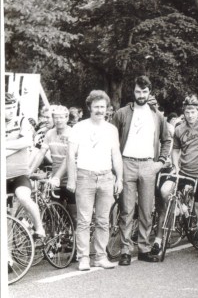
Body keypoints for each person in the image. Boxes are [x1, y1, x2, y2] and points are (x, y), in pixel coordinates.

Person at [112, 76, 172, 265]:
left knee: (147, 209)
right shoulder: (121, 113)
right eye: (138, 91)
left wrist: (160, 162)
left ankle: (144, 248)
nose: (141, 95)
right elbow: (112, 141)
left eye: (145, 92)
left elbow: (167, 140)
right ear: (133, 91)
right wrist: (115, 166)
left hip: (148, 164)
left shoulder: (157, 115)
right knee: (127, 209)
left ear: (150, 92)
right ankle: (125, 250)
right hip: (126, 162)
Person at [67, 90, 123, 271]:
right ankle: (83, 257)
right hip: (85, 176)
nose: (100, 110)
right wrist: (72, 179)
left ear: (107, 108)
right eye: (96, 106)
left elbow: (116, 155)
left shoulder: (111, 129)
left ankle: (100, 256)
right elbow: (70, 155)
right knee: (83, 220)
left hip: (106, 177)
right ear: (89, 107)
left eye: (103, 107)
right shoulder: (79, 128)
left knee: (103, 220)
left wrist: (119, 178)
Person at [161, 95, 198, 259]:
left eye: (193, 112)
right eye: (187, 112)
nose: (190, 115)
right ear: (184, 112)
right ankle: (180, 209)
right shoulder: (179, 129)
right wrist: (175, 166)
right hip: (184, 172)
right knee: (165, 191)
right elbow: (175, 150)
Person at [5, 93, 46, 239]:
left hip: (19, 175)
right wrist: (16, 146)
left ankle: (39, 228)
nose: (9, 111)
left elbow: (27, 142)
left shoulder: (22, 121)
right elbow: (20, 143)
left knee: (23, 197)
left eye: (12, 107)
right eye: (6, 108)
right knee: (5, 218)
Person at [28, 105, 77, 223]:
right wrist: (29, 171)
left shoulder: (72, 133)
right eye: (56, 117)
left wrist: (56, 177)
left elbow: (68, 158)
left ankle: (76, 238)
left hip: (71, 177)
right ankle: (61, 238)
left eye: (61, 117)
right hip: (56, 178)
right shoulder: (50, 133)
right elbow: (41, 153)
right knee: (56, 212)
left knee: (74, 214)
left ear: (67, 118)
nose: (58, 120)